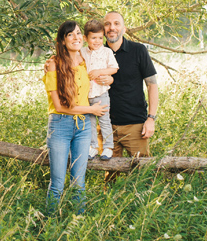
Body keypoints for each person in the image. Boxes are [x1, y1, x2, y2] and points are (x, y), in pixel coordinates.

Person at [42, 21, 108, 214]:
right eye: (70, 34)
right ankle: (51, 225)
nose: (76, 37)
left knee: (79, 183)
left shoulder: (86, 60)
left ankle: (78, 227)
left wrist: (109, 78)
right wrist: (91, 110)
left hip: (83, 127)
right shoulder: (54, 64)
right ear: (62, 40)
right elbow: (60, 106)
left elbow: (106, 69)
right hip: (60, 126)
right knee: (58, 183)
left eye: (79, 33)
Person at [103, 11, 159, 158]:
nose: (111, 27)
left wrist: (151, 118)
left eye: (116, 23)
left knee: (142, 174)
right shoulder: (97, 53)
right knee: (110, 176)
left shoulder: (138, 50)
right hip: (106, 126)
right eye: (107, 24)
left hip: (135, 126)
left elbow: (152, 85)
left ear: (124, 29)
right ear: (103, 29)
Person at [81, 19, 119, 160]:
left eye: (100, 38)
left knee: (104, 121)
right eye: (93, 38)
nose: (97, 41)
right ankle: (93, 147)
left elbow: (114, 68)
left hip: (101, 93)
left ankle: (108, 147)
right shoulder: (82, 52)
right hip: (85, 95)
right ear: (85, 38)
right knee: (89, 122)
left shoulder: (106, 52)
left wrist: (100, 72)